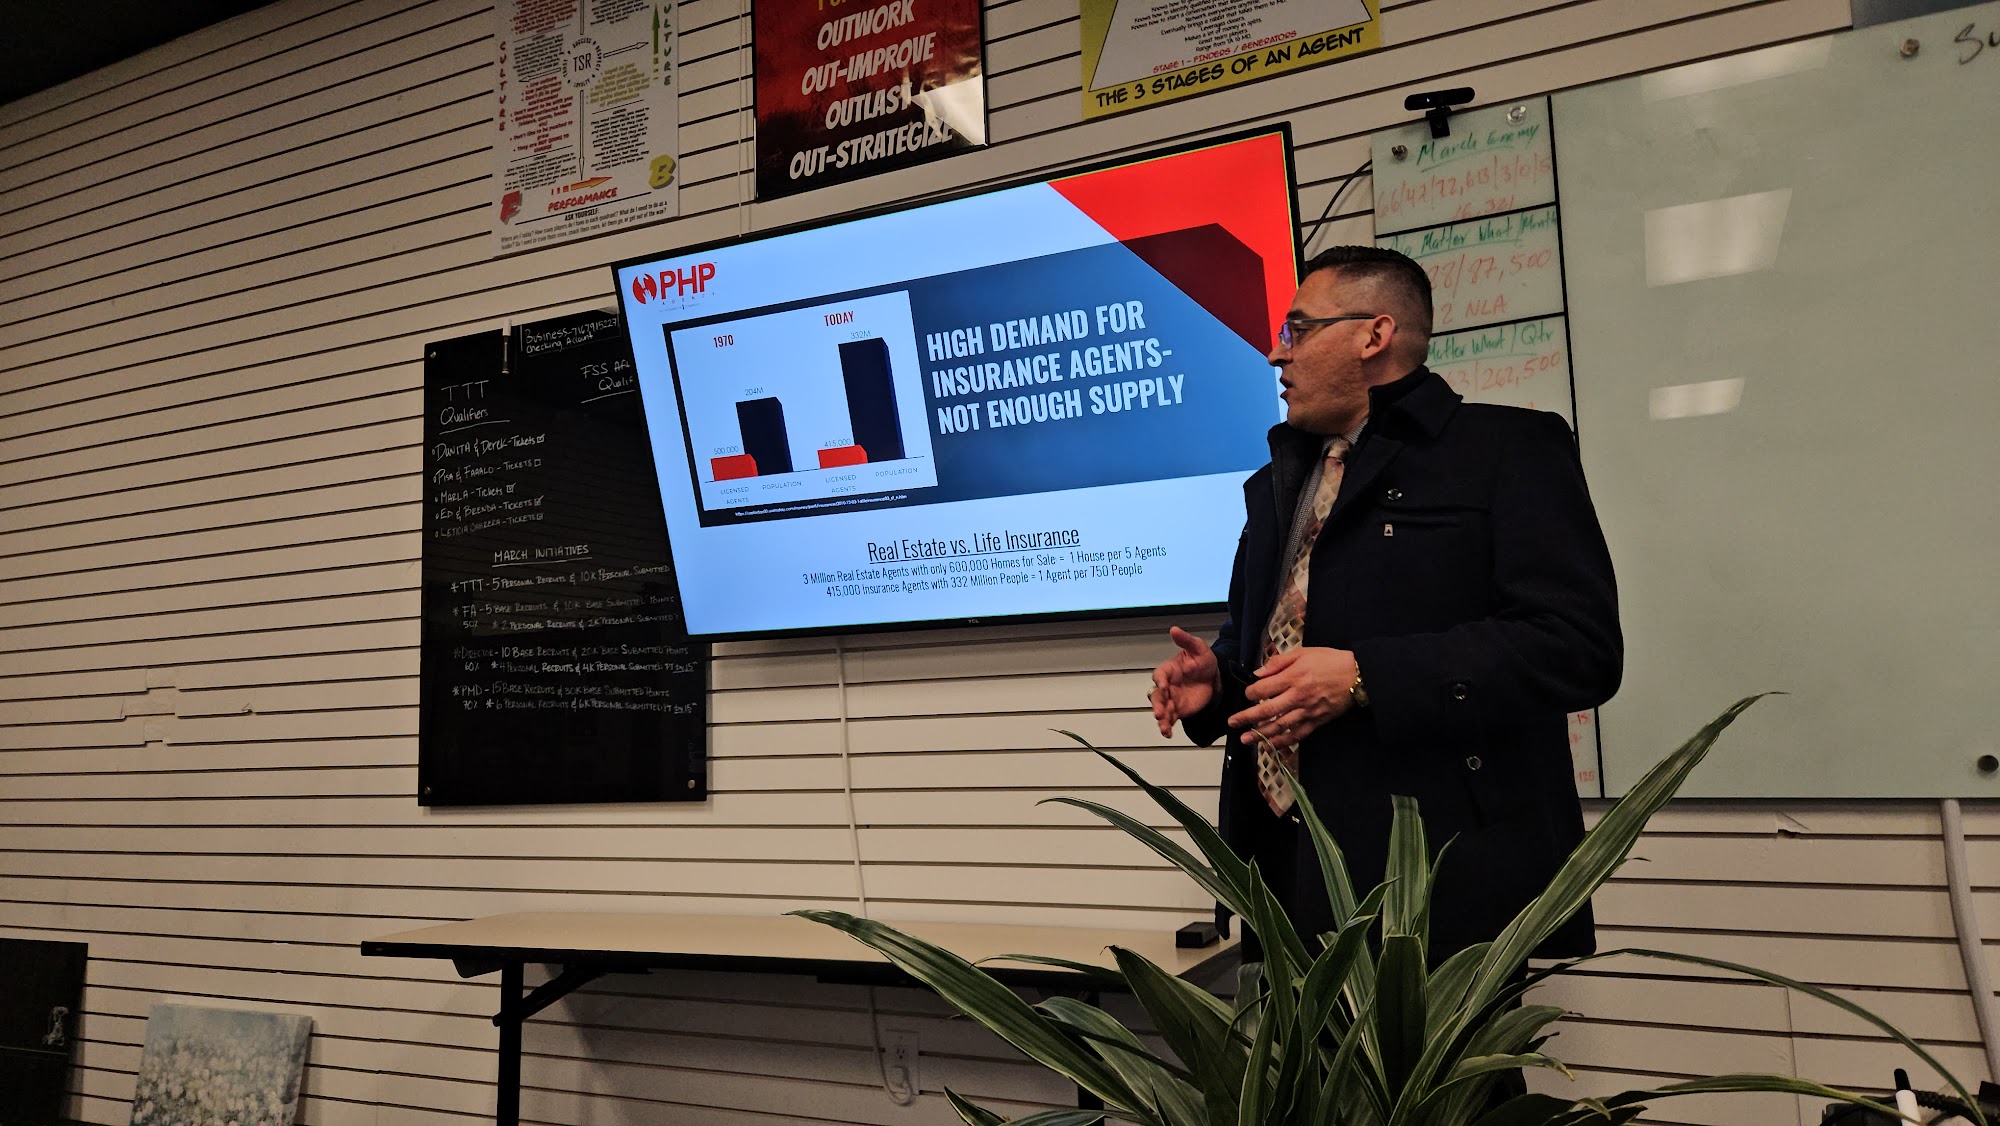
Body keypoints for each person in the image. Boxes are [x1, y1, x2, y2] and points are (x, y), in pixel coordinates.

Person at [1148, 244, 1621, 964]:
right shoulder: (1279, 483)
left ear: (1374, 335)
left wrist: (1367, 676)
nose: (1278, 354)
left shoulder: (1509, 449)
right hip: (1280, 882)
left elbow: (1577, 648)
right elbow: (1278, 644)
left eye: (1298, 328)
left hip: (1429, 892)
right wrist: (1219, 681)